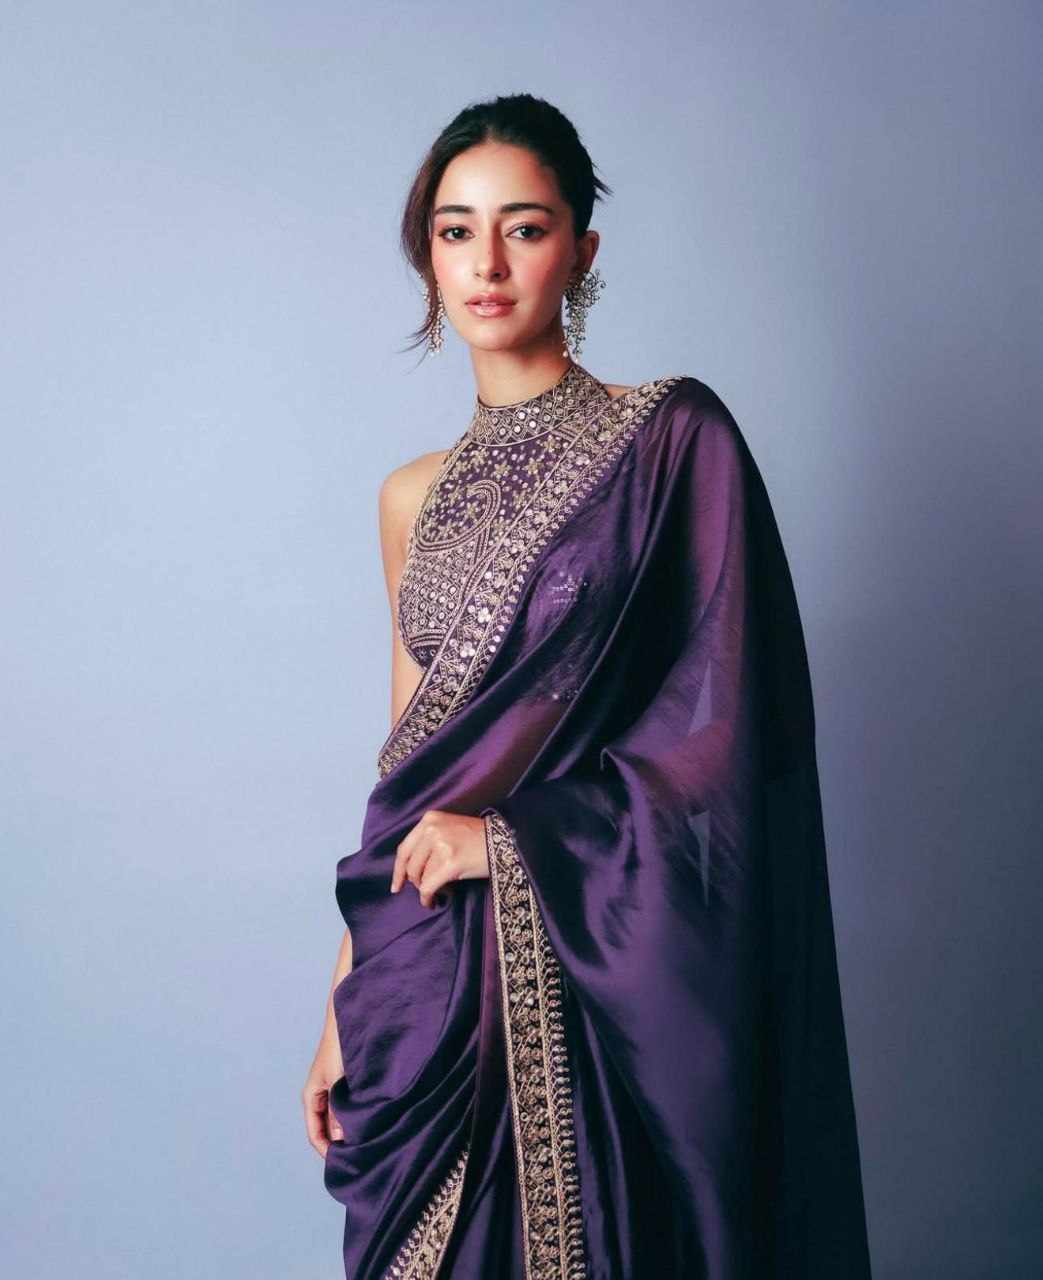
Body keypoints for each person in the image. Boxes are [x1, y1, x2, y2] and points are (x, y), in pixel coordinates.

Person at [302, 92, 872, 1280]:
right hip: (428, 970)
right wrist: (344, 999)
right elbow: (407, 768)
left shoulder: (669, 441)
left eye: (523, 227)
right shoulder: (407, 496)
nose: (487, 264)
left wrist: (511, 842)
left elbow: (726, 743)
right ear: (427, 256)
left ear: (581, 249)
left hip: (592, 963)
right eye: (455, 231)